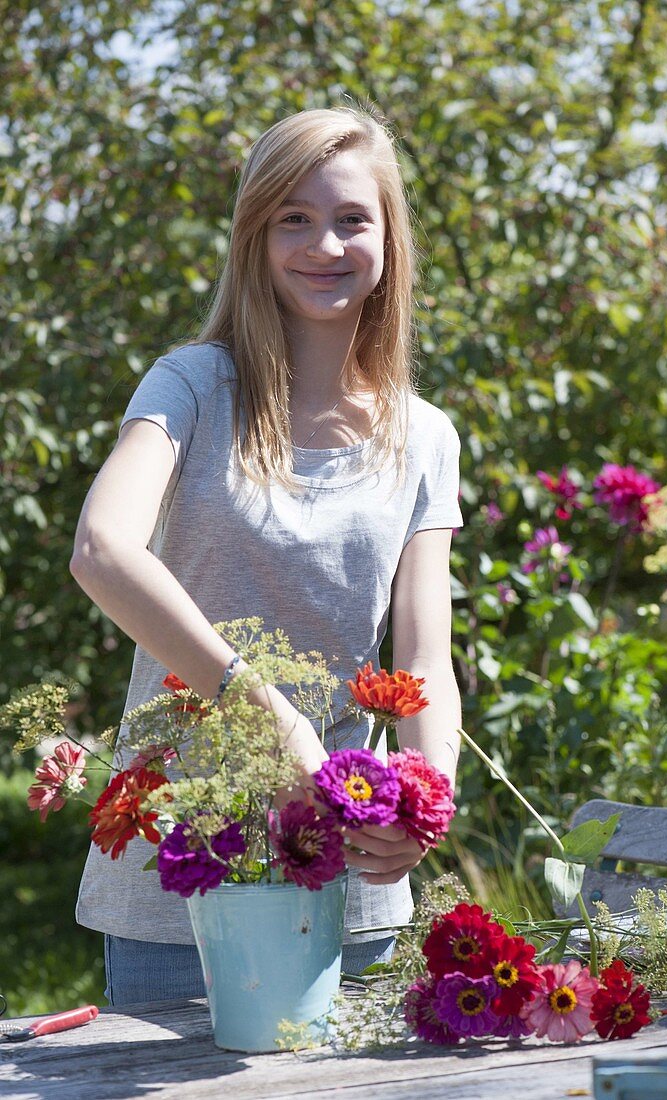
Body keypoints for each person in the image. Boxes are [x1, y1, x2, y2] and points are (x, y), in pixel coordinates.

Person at [70, 106, 463, 1006]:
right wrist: (272, 717)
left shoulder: (426, 437)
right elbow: (101, 549)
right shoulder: (190, 387)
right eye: (293, 217)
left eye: (351, 218)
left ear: (389, 240)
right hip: (178, 887)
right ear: (255, 235)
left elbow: (424, 658)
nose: (323, 242)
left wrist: (421, 801)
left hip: (352, 900)